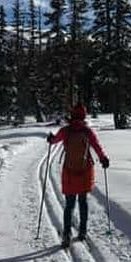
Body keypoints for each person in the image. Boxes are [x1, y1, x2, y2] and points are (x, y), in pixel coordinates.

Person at [46, 103, 109, 247]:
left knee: (69, 205)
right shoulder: (87, 131)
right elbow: (97, 147)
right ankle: (82, 231)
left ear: (72, 114)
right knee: (83, 202)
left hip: (69, 172)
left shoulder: (66, 130)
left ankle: (67, 234)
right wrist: (103, 159)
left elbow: (54, 141)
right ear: (84, 116)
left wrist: (51, 138)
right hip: (85, 172)